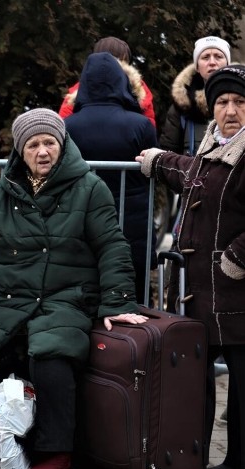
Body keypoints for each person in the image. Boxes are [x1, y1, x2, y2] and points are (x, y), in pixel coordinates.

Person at [0, 109, 148, 469]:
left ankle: (58, 453)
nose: (42, 151)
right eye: (33, 144)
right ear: (21, 151)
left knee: (51, 355)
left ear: (62, 144)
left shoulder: (90, 188)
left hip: (65, 299)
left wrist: (117, 304)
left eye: (49, 142)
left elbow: (112, 248)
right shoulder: (1, 192)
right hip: (5, 298)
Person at [136, 64, 245, 469]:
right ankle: (187, 458)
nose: (230, 110)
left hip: (236, 288)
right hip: (201, 289)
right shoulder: (212, 146)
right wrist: (157, 160)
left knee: (242, 380)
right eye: (222, 102)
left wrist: (236, 258)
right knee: (195, 378)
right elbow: (191, 174)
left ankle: (240, 462)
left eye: (239, 102)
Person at [65, 52, 159, 304]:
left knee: (84, 299)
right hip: (132, 227)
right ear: (122, 82)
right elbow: (154, 171)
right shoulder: (141, 125)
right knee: (136, 301)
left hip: (81, 225)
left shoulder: (67, 126)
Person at [59, 36, 156, 127]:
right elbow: (62, 128)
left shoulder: (140, 93)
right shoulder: (77, 93)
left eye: (124, 62)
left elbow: (148, 130)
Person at [159, 36, 231, 155]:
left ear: (228, 63)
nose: (212, 62)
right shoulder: (182, 106)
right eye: (205, 57)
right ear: (197, 66)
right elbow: (167, 155)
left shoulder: (242, 102)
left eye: (218, 56)